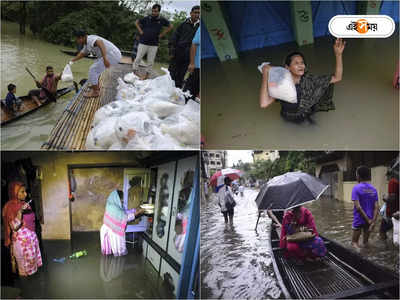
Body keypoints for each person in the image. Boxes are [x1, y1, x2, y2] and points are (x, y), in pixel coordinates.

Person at [259, 38, 346, 123]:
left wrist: (338, 55)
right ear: (287, 67)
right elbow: (264, 103)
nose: (301, 65)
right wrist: (266, 74)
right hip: (288, 117)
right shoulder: (281, 82)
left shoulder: (310, 80)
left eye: (302, 62)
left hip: (305, 114)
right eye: (296, 63)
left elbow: (337, 78)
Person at [2, 182, 42, 276]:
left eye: (25, 191)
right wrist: (19, 213)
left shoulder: (25, 204)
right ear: (14, 192)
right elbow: (14, 226)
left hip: (31, 240)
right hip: (22, 243)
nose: (25, 194)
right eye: (22, 192)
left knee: (33, 266)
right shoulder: (10, 206)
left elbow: (31, 220)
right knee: (24, 270)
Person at [70, 30, 122, 98]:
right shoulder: (86, 43)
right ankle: (96, 86)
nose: (77, 41)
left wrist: (105, 59)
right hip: (111, 54)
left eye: (77, 39)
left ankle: (95, 92)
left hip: (112, 55)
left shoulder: (90, 39)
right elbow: (82, 53)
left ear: (82, 37)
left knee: (93, 69)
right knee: (95, 66)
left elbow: (100, 42)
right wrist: (72, 61)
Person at [100, 190, 144, 256]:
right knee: (117, 249)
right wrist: (137, 213)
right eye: (121, 199)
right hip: (113, 231)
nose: (122, 201)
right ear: (116, 198)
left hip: (110, 228)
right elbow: (125, 218)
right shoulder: (113, 208)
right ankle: (117, 263)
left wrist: (134, 210)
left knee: (111, 250)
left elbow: (123, 212)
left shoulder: (112, 204)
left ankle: (112, 259)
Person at [133, 4, 173, 75]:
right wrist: (140, 31)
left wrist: (161, 35)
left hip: (154, 44)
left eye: (156, 11)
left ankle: (146, 76)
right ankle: (135, 72)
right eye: (153, 11)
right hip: (143, 42)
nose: (154, 13)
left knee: (150, 61)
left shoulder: (162, 20)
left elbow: (170, 26)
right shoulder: (147, 18)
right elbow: (136, 22)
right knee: (138, 58)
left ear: (159, 12)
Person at [168, 5, 200, 88]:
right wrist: (171, 51)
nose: (197, 15)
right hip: (178, 53)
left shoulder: (200, 27)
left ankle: (175, 95)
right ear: (191, 13)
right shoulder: (183, 24)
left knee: (181, 76)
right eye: (195, 12)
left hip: (189, 56)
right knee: (171, 74)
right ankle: (166, 91)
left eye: (199, 13)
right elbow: (174, 38)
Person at [351, 166, 379, 249]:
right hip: (369, 221)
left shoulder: (356, 188)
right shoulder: (374, 189)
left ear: (358, 176)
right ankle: (368, 257)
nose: (356, 176)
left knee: (354, 243)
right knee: (366, 243)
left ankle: (359, 258)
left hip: (359, 220)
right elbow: (377, 207)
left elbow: (358, 207)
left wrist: (368, 220)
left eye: (356, 174)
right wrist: (372, 222)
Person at [379, 168, 399, 241]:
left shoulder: (392, 182)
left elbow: (393, 197)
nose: (387, 179)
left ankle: (385, 248)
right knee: (394, 231)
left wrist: (385, 198)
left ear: (389, 175)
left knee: (382, 231)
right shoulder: (397, 182)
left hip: (391, 213)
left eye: (387, 177)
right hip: (396, 211)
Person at [185, 26, 200, 101]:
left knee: (195, 91)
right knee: (189, 91)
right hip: (197, 65)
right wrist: (192, 63)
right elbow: (194, 44)